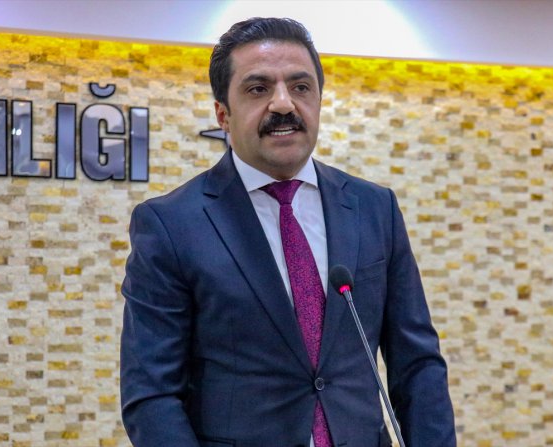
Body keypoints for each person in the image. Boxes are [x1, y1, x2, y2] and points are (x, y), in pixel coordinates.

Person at [120, 17, 456, 447]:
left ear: (319, 101)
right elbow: (151, 394)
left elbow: (418, 364)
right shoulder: (171, 224)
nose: (283, 104)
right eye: (258, 89)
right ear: (223, 114)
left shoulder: (374, 208)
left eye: (300, 87)